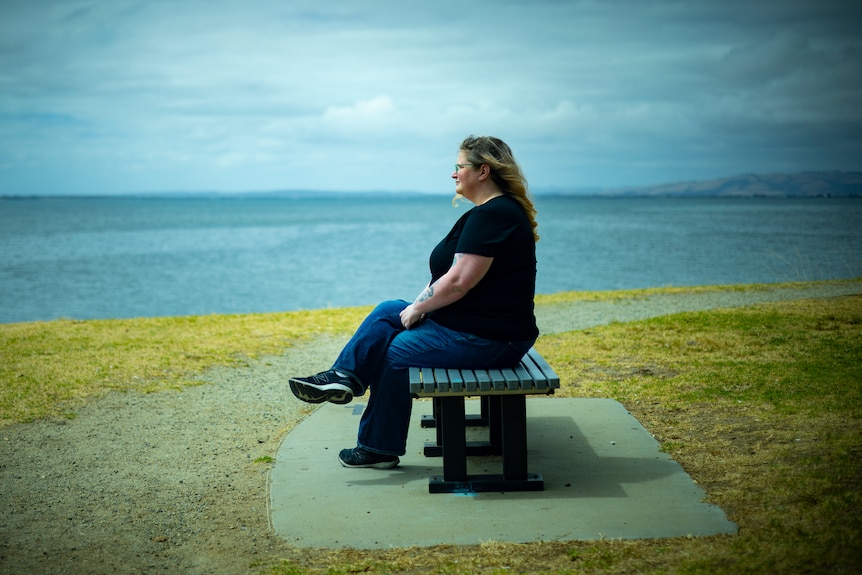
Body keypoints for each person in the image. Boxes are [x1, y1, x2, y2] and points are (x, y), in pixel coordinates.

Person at [289, 135, 540, 469]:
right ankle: (344, 376)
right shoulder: (483, 214)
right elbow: (443, 277)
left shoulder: (494, 215)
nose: (453, 173)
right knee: (389, 310)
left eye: (459, 166)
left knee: (397, 351)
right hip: (472, 325)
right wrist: (413, 307)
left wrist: (420, 309)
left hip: (493, 338)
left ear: (483, 171)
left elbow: (459, 282)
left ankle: (378, 449)